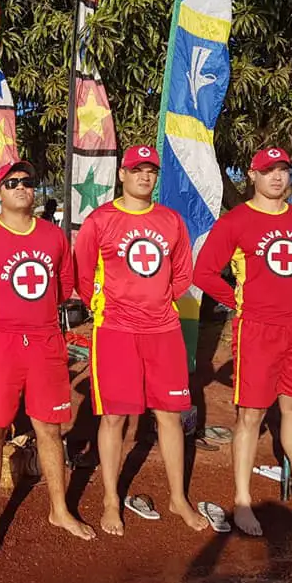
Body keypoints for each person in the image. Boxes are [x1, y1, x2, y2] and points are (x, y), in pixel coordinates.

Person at [193, 147, 292, 536]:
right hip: (257, 331)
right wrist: (239, 300)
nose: (277, 177)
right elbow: (205, 272)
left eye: (282, 170)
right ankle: (243, 501)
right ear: (252, 176)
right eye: (268, 171)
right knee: (251, 415)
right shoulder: (236, 221)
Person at [0, 160, 94, 558]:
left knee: (50, 429)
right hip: (1, 346)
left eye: (27, 181)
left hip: (46, 342)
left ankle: (59, 510)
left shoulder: (52, 236)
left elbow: (64, 286)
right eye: (12, 182)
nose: (21, 187)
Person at [74, 145, 209, 537]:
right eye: (136, 170)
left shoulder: (170, 220)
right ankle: (111, 499)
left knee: (170, 415)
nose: (144, 177)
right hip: (115, 330)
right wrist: (105, 304)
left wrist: (160, 299)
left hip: (163, 330)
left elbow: (183, 271)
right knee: (114, 416)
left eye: (150, 171)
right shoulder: (100, 220)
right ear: (122, 174)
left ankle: (177, 498)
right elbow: (84, 275)